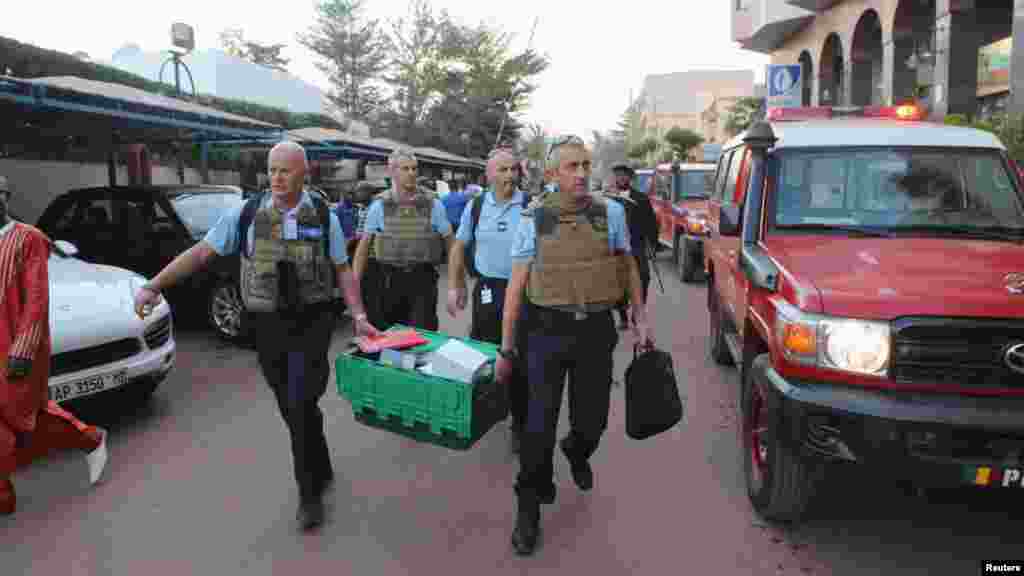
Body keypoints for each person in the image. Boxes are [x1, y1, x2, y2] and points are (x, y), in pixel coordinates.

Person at [133, 142, 380, 532]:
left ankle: (309, 494)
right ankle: (320, 460)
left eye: (286, 171)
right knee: (291, 406)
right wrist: (154, 285)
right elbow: (201, 254)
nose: (278, 178)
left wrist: (360, 314)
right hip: (266, 326)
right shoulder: (246, 214)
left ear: (304, 174)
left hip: (313, 322)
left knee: (300, 402)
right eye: (273, 170)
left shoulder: (322, 215)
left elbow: (343, 268)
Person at [494, 137, 653, 556]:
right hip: (544, 332)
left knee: (592, 423)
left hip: (596, 332)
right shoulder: (534, 218)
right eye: (571, 166)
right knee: (537, 426)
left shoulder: (612, 213)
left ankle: (577, 449)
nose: (581, 173)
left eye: (584, 164)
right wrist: (506, 349)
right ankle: (528, 504)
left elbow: (629, 268)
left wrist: (640, 321)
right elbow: (515, 289)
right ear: (551, 176)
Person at [0, 175, 110, 516]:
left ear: (5, 196)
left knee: (31, 412)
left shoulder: (28, 239)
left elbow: (37, 301)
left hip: (18, 348)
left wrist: (23, 349)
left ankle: (90, 439)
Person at [446, 148, 530, 454]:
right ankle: (489, 409)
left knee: (520, 354)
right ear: (489, 174)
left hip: (525, 290)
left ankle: (520, 423)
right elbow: (459, 246)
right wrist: (456, 286)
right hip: (488, 289)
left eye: (514, 170)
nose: (510, 176)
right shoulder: (477, 206)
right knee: (484, 351)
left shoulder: (532, 205)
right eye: (503, 170)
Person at [353, 147, 454, 332]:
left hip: (422, 280)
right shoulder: (379, 206)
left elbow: (451, 244)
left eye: (414, 168)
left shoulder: (433, 204)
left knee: (423, 336)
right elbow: (362, 249)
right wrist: (354, 291)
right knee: (389, 338)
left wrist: (454, 286)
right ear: (392, 171)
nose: (411, 173)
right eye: (405, 169)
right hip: (388, 281)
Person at [608, 163, 659, 330]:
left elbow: (651, 223)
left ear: (630, 178)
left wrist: (652, 243)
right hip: (615, 248)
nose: (621, 178)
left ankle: (638, 313)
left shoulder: (641, 198)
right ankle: (622, 315)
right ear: (614, 177)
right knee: (617, 282)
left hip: (636, 245)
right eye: (618, 175)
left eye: (624, 175)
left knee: (643, 277)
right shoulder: (607, 198)